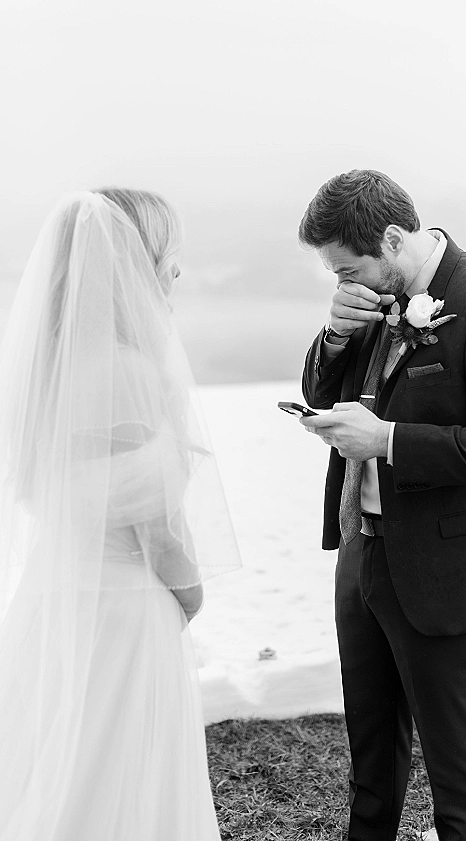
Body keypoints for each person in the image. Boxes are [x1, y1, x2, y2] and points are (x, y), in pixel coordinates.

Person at [298, 170, 466, 841]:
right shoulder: (367, 300)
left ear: (392, 237)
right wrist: (333, 338)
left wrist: (385, 439)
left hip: (447, 568)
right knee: (371, 755)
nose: (342, 283)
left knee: (457, 765)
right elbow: (327, 390)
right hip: (362, 552)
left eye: (348, 268)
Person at [0, 189, 240, 840]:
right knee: (123, 788)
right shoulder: (126, 372)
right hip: (123, 611)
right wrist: (188, 593)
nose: (177, 275)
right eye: (168, 258)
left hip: (53, 597)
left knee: (59, 767)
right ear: (133, 267)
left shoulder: (47, 366)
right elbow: (152, 522)